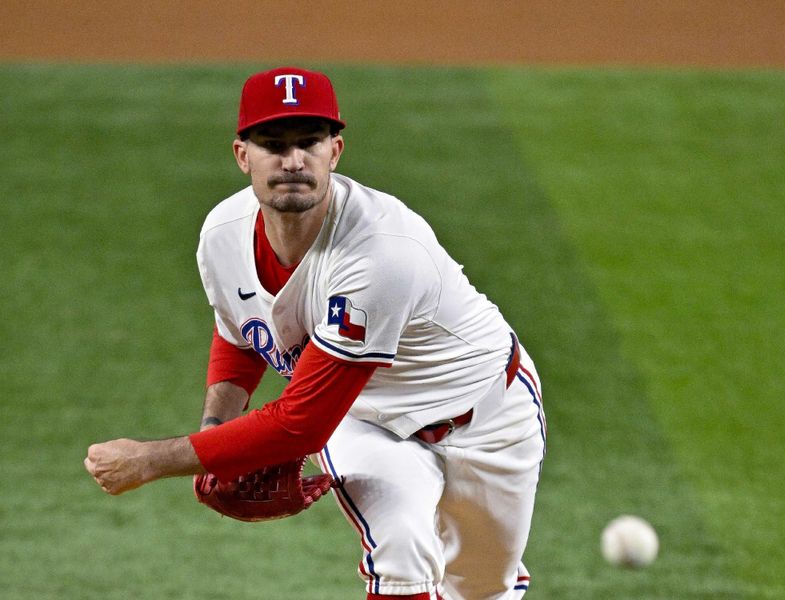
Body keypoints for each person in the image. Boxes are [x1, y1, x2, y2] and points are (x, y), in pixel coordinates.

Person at [84, 66, 547, 600]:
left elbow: (301, 424)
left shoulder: (381, 251)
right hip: (362, 419)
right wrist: (217, 432)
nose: (292, 161)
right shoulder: (221, 236)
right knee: (400, 556)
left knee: (484, 587)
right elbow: (241, 335)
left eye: (309, 142)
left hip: (488, 413)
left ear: (335, 152)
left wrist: (149, 461)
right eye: (273, 144)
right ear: (242, 156)